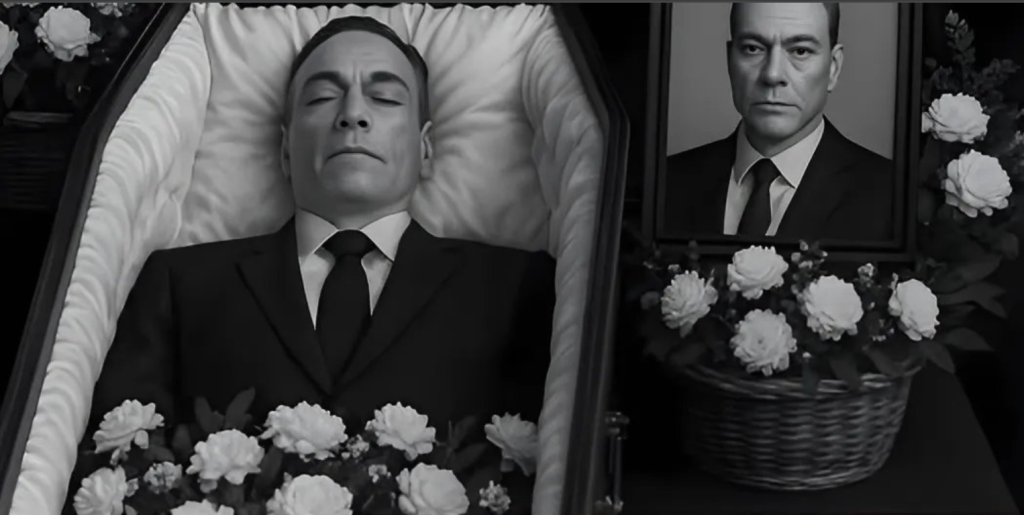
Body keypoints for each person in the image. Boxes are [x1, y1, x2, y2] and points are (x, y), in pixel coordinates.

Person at [80, 16, 555, 447]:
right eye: (323, 97)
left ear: (425, 148)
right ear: (286, 149)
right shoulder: (181, 284)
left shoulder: (513, 288)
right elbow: (122, 461)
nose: (353, 114)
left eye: (385, 98)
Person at [663, 2, 894, 243]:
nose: (772, 75)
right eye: (753, 49)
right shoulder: (664, 183)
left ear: (833, 68)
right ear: (730, 60)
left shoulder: (892, 197)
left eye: (800, 51)